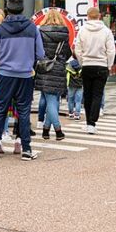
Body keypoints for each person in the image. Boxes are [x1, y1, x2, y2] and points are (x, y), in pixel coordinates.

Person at [0, 0, 45, 160]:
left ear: (8, 10)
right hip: (25, 75)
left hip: (5, 74)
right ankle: (26, 149)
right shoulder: (33, 28)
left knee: (0, 110)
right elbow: (40, 54)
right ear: (22, 9)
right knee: (24, 112)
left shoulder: (1, 29)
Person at [73, 7, 116, 134]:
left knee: (87, 94)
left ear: (87, 16)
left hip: (87, 65)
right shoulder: (106, 31)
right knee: (98, 94)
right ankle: (93, 123)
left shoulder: (82, 30)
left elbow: (78, 50)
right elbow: (111, 50)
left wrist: (82, 62)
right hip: (101, 65)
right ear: (100, 16)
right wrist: (109, 65)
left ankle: (88, 122)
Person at [36, 9, 71, 142]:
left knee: (50, 100)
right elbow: (67, 53)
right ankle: (47, 129)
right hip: (58, 68)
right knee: (53, 100)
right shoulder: (64, 33)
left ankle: (57, 130)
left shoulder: (40, 32)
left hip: (44, 68)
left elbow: (37, 51)